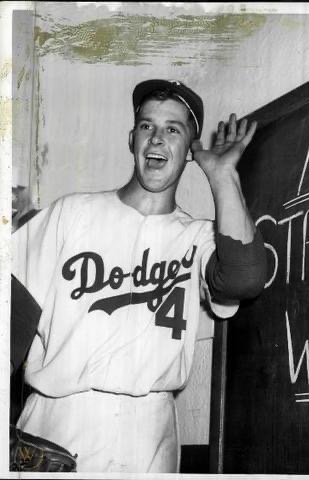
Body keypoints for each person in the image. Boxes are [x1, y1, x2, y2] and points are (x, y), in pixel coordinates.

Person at [11, 79, 267, 473]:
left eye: (173, 129)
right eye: (147, 126)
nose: (157, 139)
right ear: (132, 139)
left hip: (150, 432)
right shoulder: (71, 214)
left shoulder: (197, 237)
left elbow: (245, 279)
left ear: (189, 152)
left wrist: (221, 176)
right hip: (59, 421)